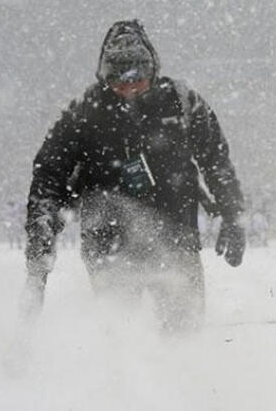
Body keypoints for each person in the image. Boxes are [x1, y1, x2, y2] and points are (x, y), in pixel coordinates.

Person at [23, 20, 246, 331]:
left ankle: (186, 375)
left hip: (176, 239)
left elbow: (217, 160)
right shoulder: (83, 114)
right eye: (117, 80)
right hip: (108, 246)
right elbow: (48, 176)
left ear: (152, 70)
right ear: (104, 77)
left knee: (183, 334)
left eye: (137, 78)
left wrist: (233, 214)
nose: (128, 88)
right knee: (120, 337)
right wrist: (41, 232)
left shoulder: (182, 102)